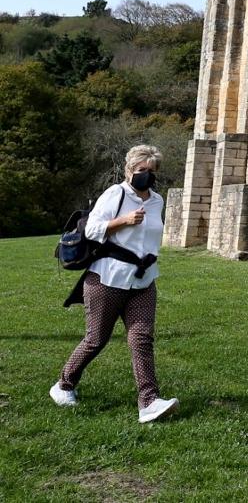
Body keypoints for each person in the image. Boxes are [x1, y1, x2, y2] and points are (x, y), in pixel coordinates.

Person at [50, 145, 179, 423]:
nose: (146, 175)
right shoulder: (115, 194)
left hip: (144, 279)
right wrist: (123, 221)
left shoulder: (157, 201)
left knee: (141, 338)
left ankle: (148, 402)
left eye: (151, 171)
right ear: (129, 171)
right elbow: (91, 229)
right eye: (140, 170)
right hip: (107, 278)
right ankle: (63, 385)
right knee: (96, 339)